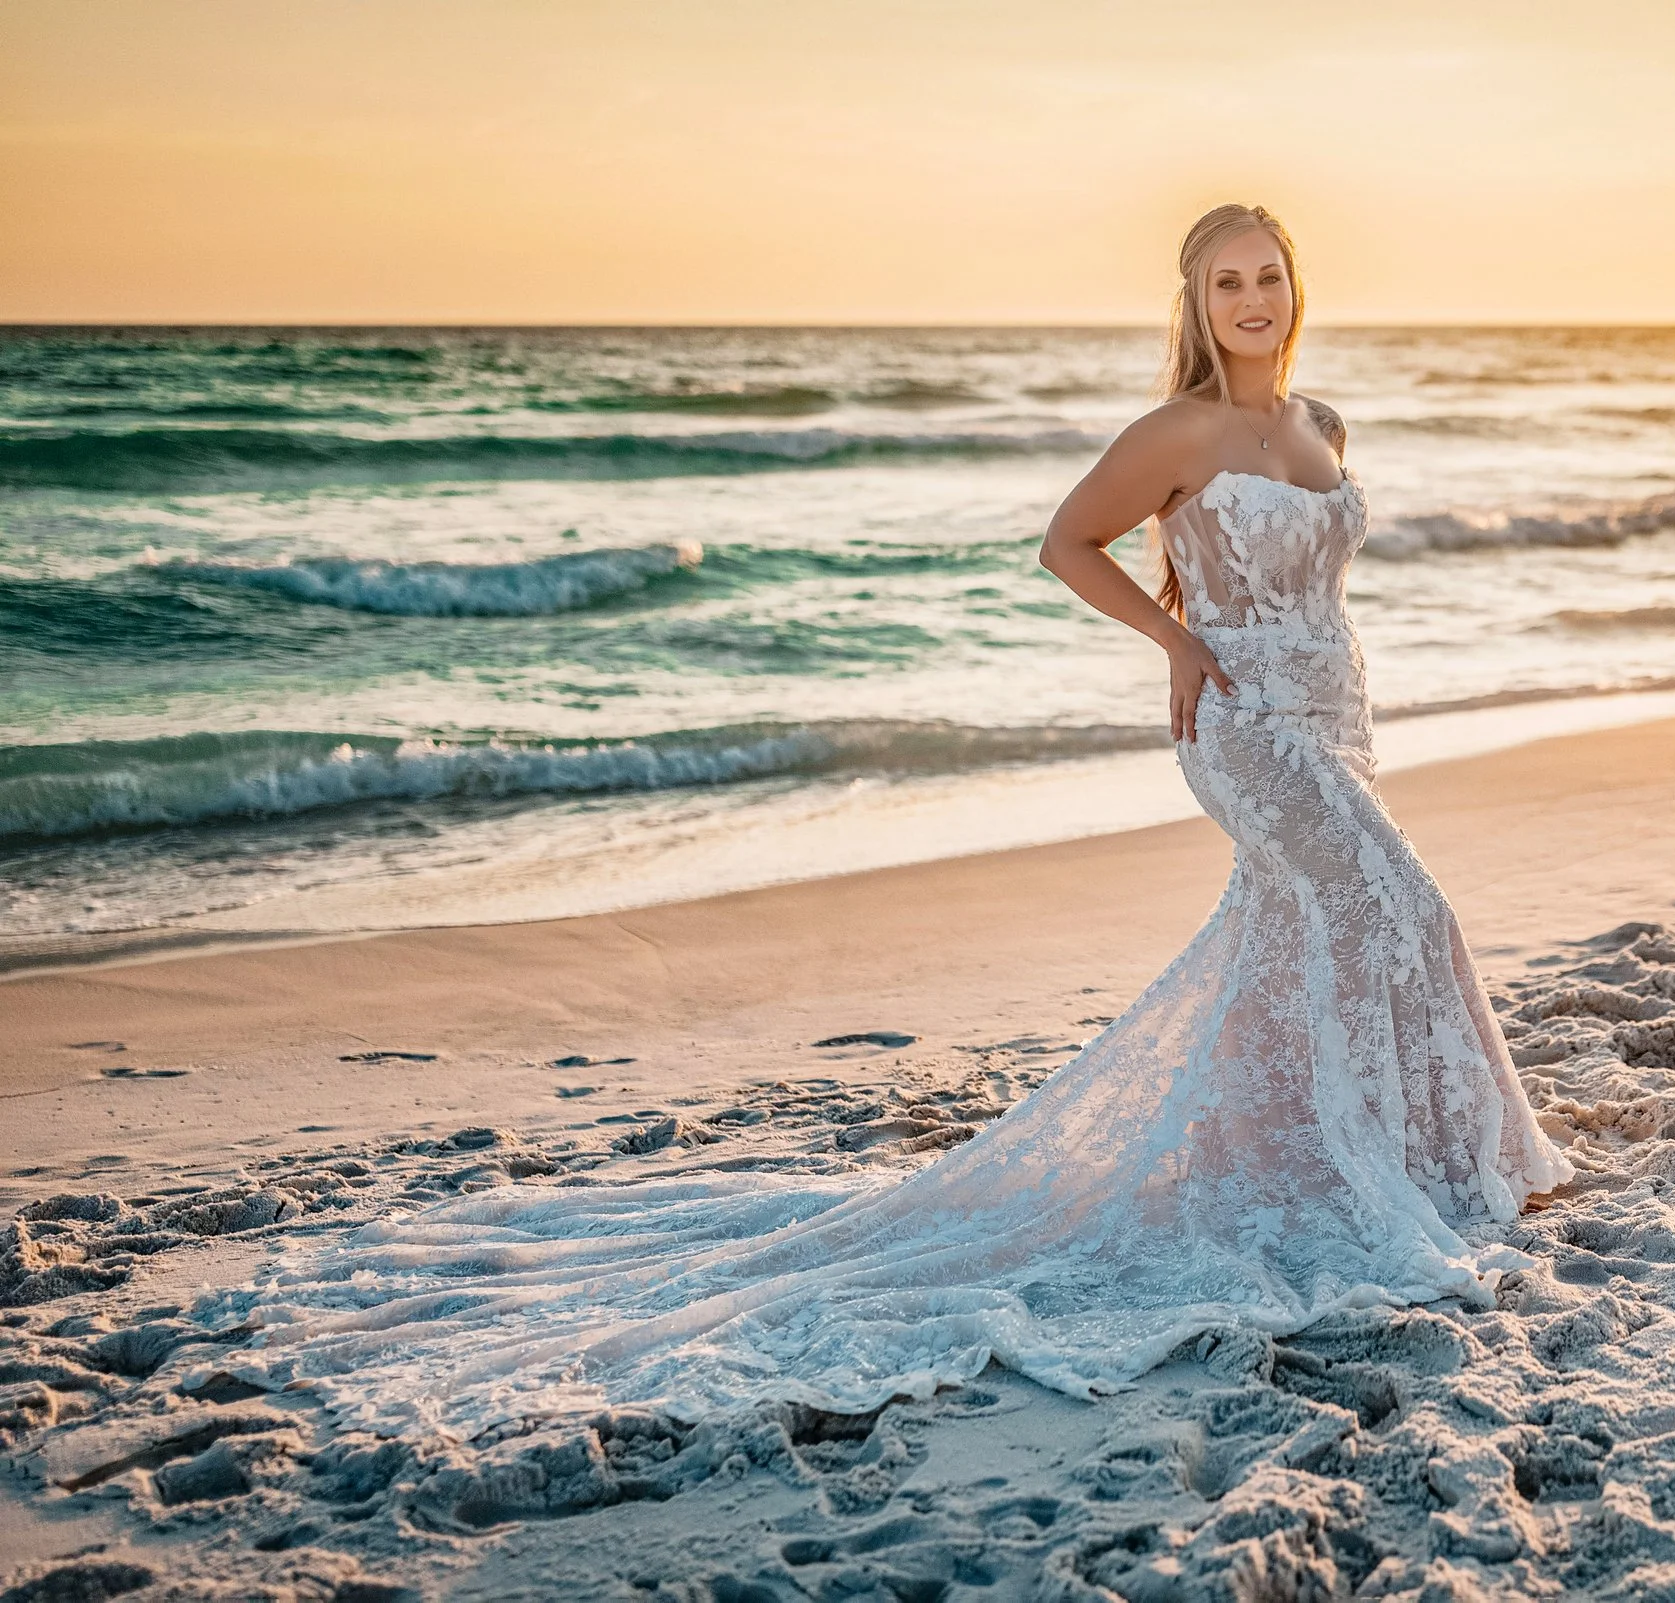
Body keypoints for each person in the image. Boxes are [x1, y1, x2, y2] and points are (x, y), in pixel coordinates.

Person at [230, 205, 1572, 1434]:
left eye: (1268, 276)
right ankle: (1404, 1168)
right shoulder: (1179, 432)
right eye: (1227, 282)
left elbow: (1320, 586)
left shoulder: (1323, 422)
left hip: (1337, 710)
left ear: (1296, 285)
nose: (1253, 299)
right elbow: (1066, 542)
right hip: (1238, 722)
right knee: (1403, 906)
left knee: (1303, 938)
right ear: (1197, 300)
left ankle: (1334, 1161)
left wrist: (1307, 671)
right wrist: (1173, 640)